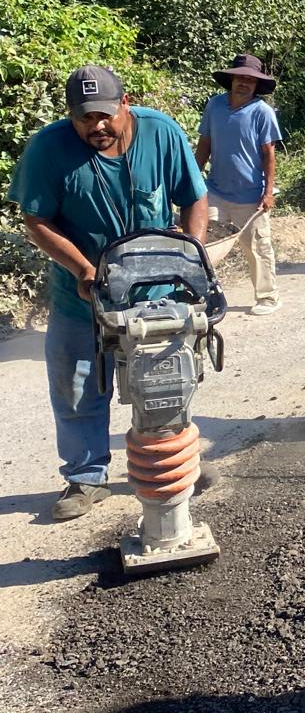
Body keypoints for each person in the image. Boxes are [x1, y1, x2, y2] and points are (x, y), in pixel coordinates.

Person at [6, 66, 208, 520]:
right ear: (70, 117)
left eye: (103, 114)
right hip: (83, 295)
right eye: (83, 118)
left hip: (155, 291)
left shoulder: (162, 132)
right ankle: (85, 477)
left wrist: (190, 257)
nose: (95, 126)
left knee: (164, 381)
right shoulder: (49, 148)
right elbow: (36, 220)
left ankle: (174, 467)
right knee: (77, 385)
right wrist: (82, 268)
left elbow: (194, 198)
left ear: (125, 103)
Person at [195, 54, 283, 316]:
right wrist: (188, 182)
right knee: (202, 247)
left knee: (257, 248)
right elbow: (204, 146)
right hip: (216, 192)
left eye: (250, 79)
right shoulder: (215, 106)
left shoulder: (261, 112)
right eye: (240, 77)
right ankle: (204, 297)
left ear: (256, 85)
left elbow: (269, 154)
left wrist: (268, 192)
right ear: (231, 79)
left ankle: (268, 297)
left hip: (250, 196)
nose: (244, 83)